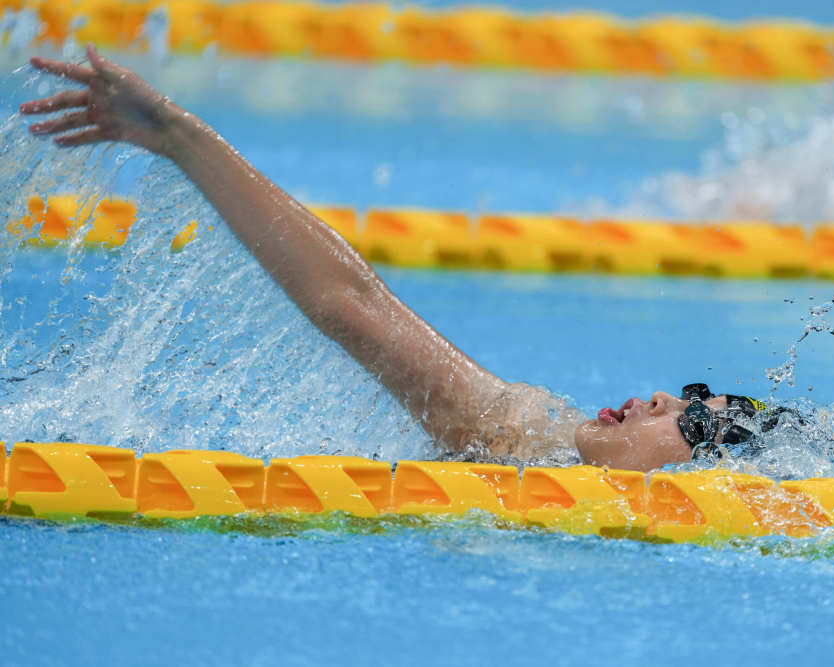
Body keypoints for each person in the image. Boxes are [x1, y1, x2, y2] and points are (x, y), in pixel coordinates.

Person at [20, 46, 777, 472]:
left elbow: (353, 309)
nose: (656, 399)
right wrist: (179, 136)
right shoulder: (525, 430)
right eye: (687, 394)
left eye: (694, 422)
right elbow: (357, 307)